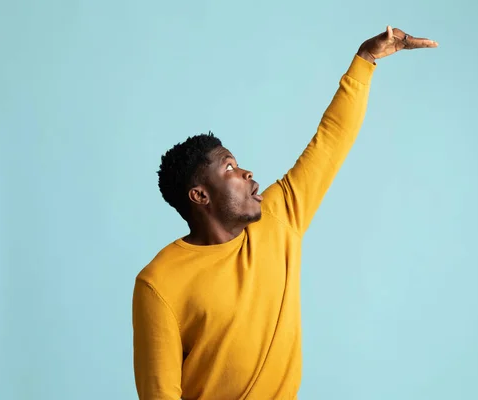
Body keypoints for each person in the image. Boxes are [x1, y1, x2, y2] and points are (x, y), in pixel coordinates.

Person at [132, 25, 438, 400]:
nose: (247, 173)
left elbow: (329, 142)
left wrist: (365, 60)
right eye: (229, 168)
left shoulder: (279, 218)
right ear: (199, 196)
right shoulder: (159, 283)